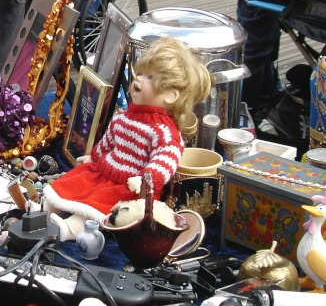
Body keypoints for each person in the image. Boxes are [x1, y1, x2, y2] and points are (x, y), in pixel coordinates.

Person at [43, 37, 211, 241]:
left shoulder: (165, 132)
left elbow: (164, 160)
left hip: (128, 187)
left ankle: (69, 228)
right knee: (70, 183)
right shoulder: (123, 116)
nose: (138, 80)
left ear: (170, 96)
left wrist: (146, 180)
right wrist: (94, 158)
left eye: (149, 78)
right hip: (105, 172)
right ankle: (44, 209)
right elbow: (109, 141)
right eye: (139, 74)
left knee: (97, 205)